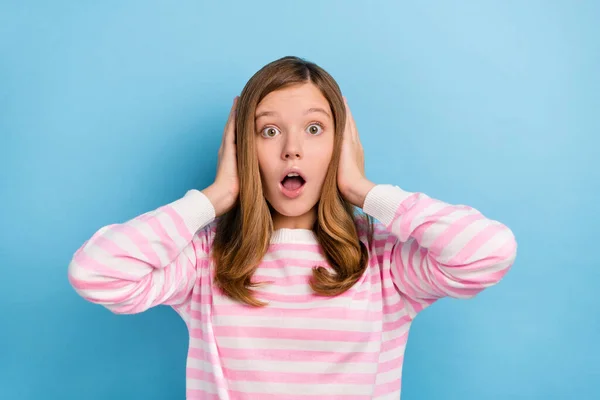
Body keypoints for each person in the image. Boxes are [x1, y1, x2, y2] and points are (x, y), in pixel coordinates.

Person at [68, 55, 518, 399]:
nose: (292, 150)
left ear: (341, 144)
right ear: (245, 147)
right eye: (269, 132)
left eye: (315, 129)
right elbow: (96, 273)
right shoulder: (206, 258)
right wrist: (216, 197)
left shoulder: (384, 262)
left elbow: (488, 252)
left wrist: (362, 189)